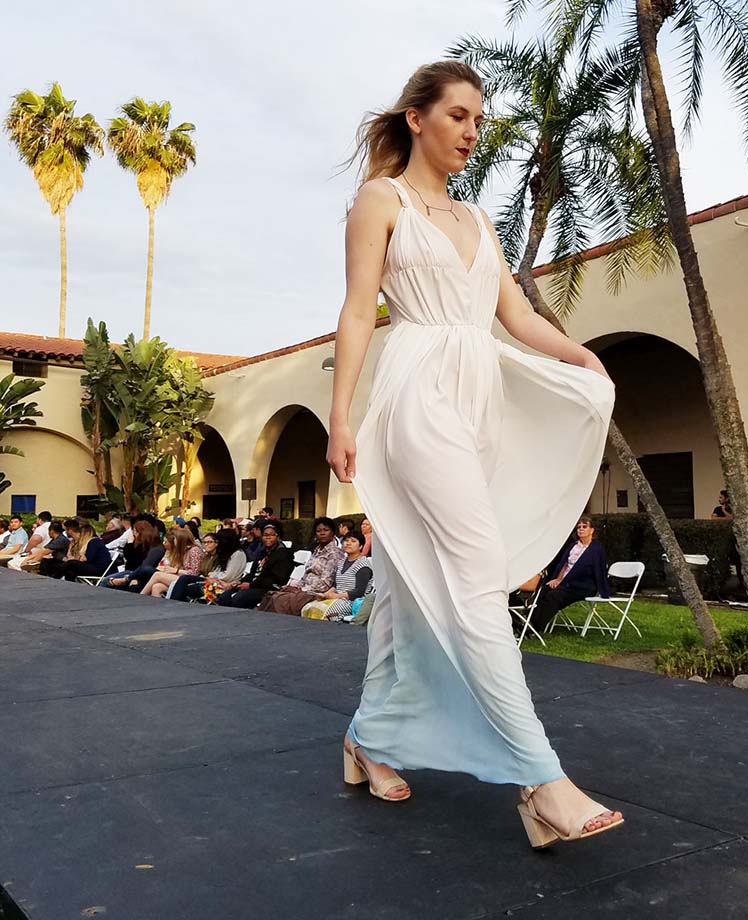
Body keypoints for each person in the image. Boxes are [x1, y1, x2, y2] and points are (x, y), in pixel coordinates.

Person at [325, 62, 620, 845]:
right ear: (416, 118)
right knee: (479, 576)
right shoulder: (380, 201)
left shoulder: (479, 219)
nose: (470, 132)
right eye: (457, 116)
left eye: (479, 122)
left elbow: (517, 317)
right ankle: (540, 779)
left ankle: (366, 739)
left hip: (478, 397)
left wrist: (581, 358)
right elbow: (358, 312)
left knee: (404, 590)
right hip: (415, 396)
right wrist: (339, 417)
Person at [527, 517, 611, 634]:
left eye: (584, 526)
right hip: (566, 582)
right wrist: (558, 579)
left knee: (554, 596)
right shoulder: (573, 546)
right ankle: (527, 620)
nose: (581, 529)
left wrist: (603, 589)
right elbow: (564, 564)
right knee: (543, 590)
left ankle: (535, 626)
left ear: (592, 530)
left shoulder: (596, 548)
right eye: (579, 527)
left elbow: (598, 569)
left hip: (583, 585)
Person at [259, 517, 343, 614]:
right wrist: (297, 587)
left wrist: (302, 590)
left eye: (326, 530)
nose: (322, 533)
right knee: (270, 595)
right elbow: (306, 574)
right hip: (304, 589)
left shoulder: (335, 554)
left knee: (279, 600)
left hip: (316, 593)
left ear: (332, 533)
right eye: (319, 531)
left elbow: (326, 583)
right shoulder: (317, 551)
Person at [217, 523, 295, 609]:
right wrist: (240, 581)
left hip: (267, 588)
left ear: (278, 537)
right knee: (224, 597)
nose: (268, 537)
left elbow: (275, 579)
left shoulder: (283, 554)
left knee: (239, 598)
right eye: (265, 535)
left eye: (272, 535)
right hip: (253, 584)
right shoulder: (262, 553)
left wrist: (251, 585)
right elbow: (252, 573)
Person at [302, 531, 373, 621]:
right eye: (346, 540)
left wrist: (336, 596)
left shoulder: (363, 565)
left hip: (351, 602)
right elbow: (336, 585)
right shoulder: (342, 562)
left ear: (361, 546)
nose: (348, 543)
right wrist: (325, 595)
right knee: (308, 607)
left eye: (353, 541)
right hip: (337, 598)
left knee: (321, 611)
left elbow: (359, 592)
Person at [172, 530, 248, 602]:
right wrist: (212, 575)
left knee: (184, 586)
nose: (218, 544)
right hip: (214, 580)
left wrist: (212, 576)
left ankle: (173, 603)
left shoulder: (237, 554)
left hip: (222, 584)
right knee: (183, 580)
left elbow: (227, 576)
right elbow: (216, 570)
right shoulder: (225, 553)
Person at [141, 529, 204, 597]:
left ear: (181, 540)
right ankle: (159, 607)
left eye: (175, 539)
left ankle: (140, 596)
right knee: (156, 587)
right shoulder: (182, 550)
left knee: (157, 575)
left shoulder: (194, 551)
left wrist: (176, 570)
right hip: (180, 577)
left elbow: (194, 573)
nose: (174, 542)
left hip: (190, 580)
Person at [102, 520, 164, 589]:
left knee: (105, 581)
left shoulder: (143, 546)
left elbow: (132, 560)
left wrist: (130, 543)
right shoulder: (149, 544)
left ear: (139, 532)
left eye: (134, 531)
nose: (133, 533)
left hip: (134, 572)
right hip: (135, 571)